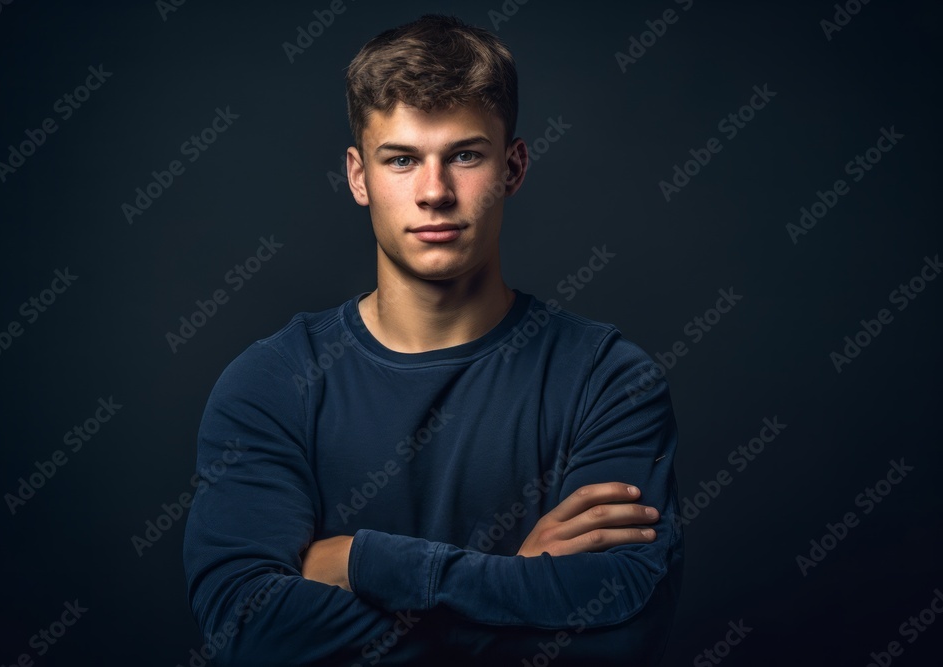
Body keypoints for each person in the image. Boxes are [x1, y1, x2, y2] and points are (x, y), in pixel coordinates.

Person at [183, 13, 683, 666]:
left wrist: (364, 560)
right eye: (402, 159)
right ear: (359, 176)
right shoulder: (271, 382)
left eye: (465, 155)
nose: (434, 192)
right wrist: (518, 586)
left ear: (515, 166)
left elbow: (618, 636)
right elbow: (248, 633)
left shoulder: (609, 380)